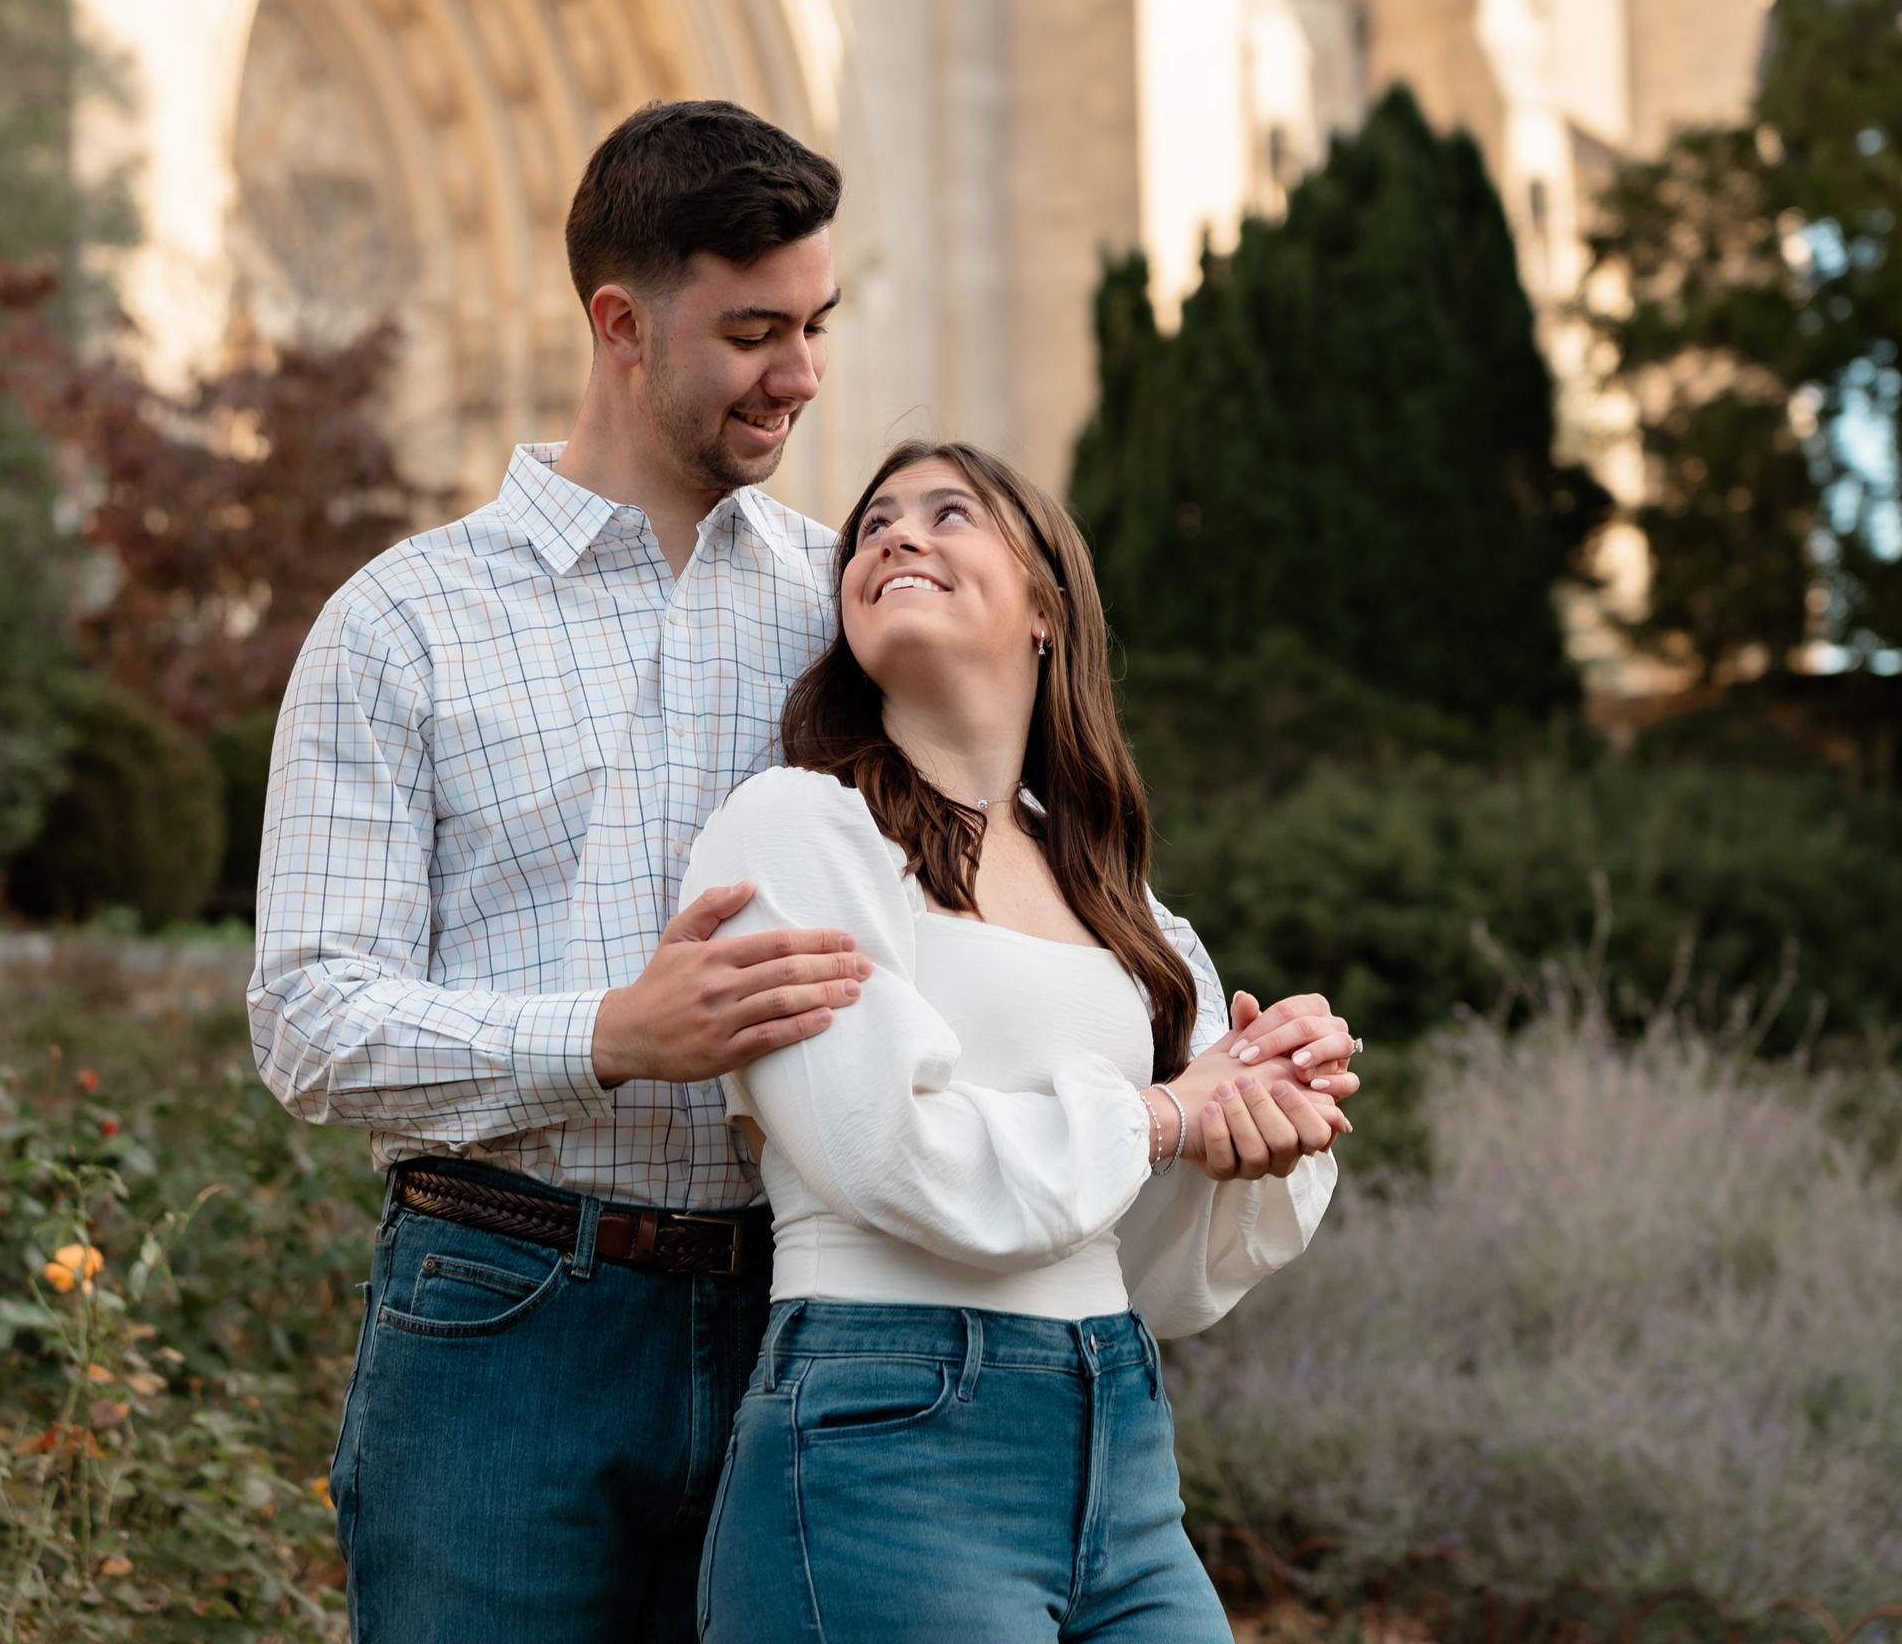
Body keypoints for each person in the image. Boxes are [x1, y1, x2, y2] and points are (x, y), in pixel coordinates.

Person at [250, 98, 1359, 1642]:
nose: (804, 374)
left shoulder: (843, 602)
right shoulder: (403, 624)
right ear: (621, 326)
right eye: (755, 332)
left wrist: (1221, 1058)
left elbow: (1026, 868)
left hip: (823, 1334)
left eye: (817, 324)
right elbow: (307, 1017)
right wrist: (607, 1037)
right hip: (511, 1308)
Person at [681, 440, 1355, 1642]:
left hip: (1120, 1436)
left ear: (1045, 605)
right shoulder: (796, 827)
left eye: (949, 513)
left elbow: (1162, 1266)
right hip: (885, 1439)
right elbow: (891, 1152)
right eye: (873, 524)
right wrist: (1167, 1113)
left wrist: (1273, 1100)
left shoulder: (1119, 896)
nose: (896, 534)